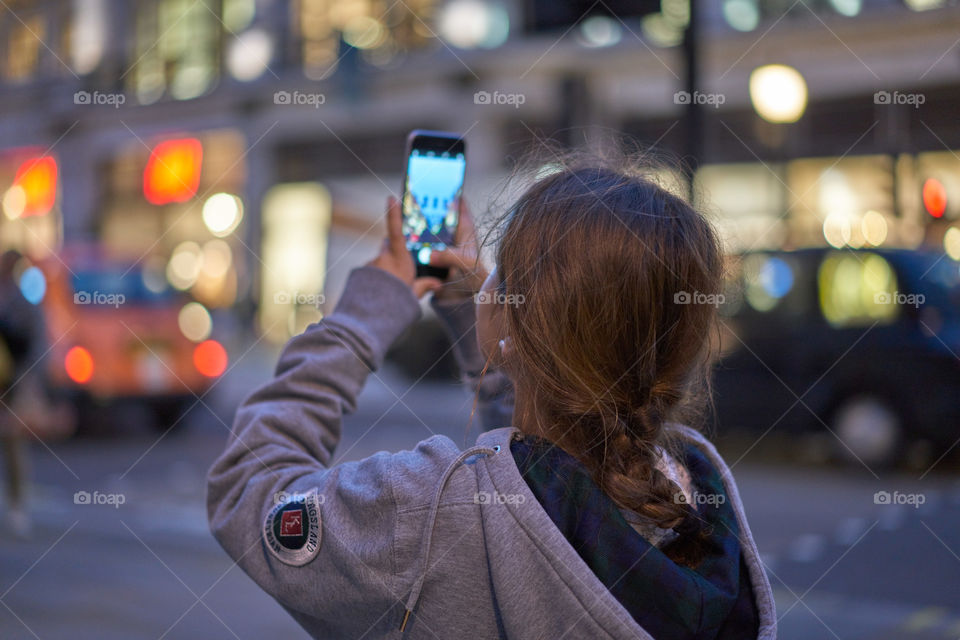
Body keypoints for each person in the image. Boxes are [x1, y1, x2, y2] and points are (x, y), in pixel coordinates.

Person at [207, 157, 776, 639]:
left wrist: (366, 311)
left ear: (509, 313)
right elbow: (548, 469)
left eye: (504, 273)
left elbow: (247, 493)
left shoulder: (437, 508)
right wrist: (482, 318)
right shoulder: (693, 496)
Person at [0, 249, 46, 537]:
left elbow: (33, 339)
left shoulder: (23, 298)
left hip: (12, 380)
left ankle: (17, 506)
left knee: (13, 444)